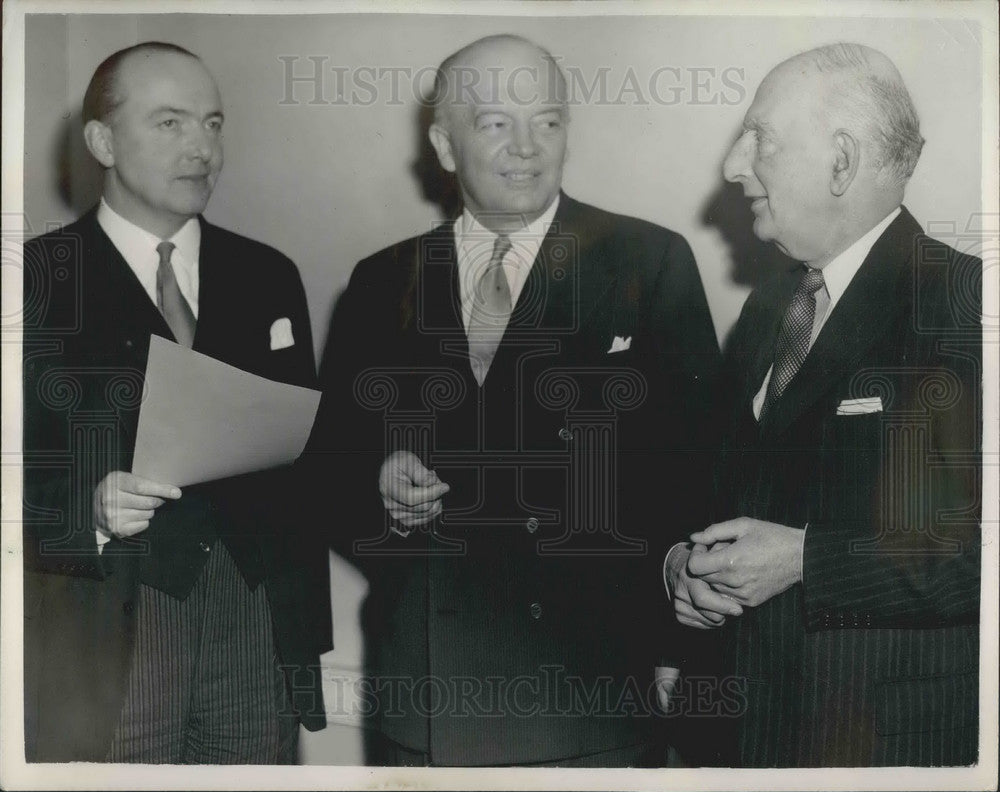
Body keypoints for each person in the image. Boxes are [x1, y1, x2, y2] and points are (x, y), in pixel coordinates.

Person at [306, 34, 720, 767]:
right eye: (496, 123)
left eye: (549, 121)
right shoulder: (382, 280)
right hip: (430, 696)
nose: (527, 147)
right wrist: (376, 489)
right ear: (443, 143)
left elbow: (696, 472)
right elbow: (326, 469)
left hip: (587, 693)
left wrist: (675, 653)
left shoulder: (647, 262)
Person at [664, 42, 981, 766]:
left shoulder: (966, 306)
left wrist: (810, 560)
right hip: (734, 741)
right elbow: (713, 488)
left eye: (761, 140)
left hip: (874, 749)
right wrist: (683, 565)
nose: (733, 166)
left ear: (841, 161)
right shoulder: (769, 306)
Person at [22, 42, 331, 763]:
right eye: (170, 123)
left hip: (257, 620)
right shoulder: (34, 282)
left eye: (214, 123)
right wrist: (88, 512)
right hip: (110, 620)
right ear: (102, 140)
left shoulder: (269, 275)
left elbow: (308, 450)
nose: (202, 148)